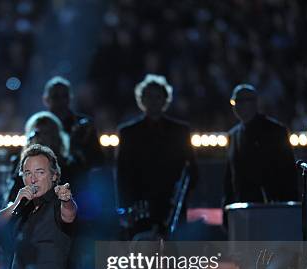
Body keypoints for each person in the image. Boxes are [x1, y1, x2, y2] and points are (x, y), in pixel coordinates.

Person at [116, 74, 197, 237]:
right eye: (149, 96)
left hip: (171, 204)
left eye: (158, 96)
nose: (153, 101)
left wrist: (181, 200)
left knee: (173, 256)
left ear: (165, 99)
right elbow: (121, 173)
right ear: (142, 99)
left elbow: (192, 170)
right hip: (140, 204)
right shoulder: (128, 133)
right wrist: (127, 205)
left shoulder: (180, 131)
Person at [223, 84, 298, 205]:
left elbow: (288, 171)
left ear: (254, 103)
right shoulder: (233, 135)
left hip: (269, 206)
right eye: (235, 102)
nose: (237, 106)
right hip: (241, 207)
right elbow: (230, 178)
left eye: (241, 101)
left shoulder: (275, 131)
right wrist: (227, 206)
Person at [42, 76, 104, 169]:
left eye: (64, 96)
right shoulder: (39, 124)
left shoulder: (85, 125)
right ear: (46, 99)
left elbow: (97, 160)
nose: (61, 101)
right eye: (55, 96)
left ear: (70, 98)